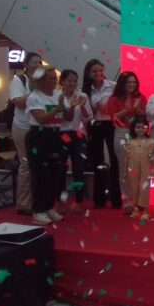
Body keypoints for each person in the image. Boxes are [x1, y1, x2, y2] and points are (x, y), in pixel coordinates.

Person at [25, 65, 70, 225]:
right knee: (40, 174)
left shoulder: (58, 95)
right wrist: (58, 108)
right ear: (41, 80)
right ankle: (38, 210)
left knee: (54, 174)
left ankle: (49, 207)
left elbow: (66, 118)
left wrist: (70, 106)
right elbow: (42, 119)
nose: (54, 81)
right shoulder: (34, 97)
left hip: (55, 134)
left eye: (55, 78)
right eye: (51, 78)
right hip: (39, 135)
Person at [82, 59, 122, 210]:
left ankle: (116, 198)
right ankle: (99, 199)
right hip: (95, 125)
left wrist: (109, 108)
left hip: (111, 124)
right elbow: (86, 114)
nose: (98, 73)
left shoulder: (112, 86)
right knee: (97, 161)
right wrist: (96, 108)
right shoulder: (86, 90)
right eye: (94, 71)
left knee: (114, 159)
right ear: (89, 73)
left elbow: (119, 106)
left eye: (100, 70)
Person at [106, 71, 147, 213]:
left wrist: (137, 109)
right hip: (121, 133)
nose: (131, 85)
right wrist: (127, 110)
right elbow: (113, 117)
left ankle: (139, 200)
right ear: (122, 83)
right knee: (124, 169)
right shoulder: (114, 99)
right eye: (129, 82)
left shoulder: (141, 97)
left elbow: (144, 116)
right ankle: (127, 201)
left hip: (138, 134)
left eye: (134, 82)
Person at [9, 52, 42, 215]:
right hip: (22, 126)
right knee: (26, 164)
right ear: (26, 65)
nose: (37, 65)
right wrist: (35, 91)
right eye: (34, 62)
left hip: (39, 126)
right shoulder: (19, 80)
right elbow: (19, 103)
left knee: (39, 165)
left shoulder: (43, 81)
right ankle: (23, 203)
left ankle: (38, 200)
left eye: (40, 63)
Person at [58, 69, 92, 214]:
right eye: (69, 81)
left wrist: (82, 105)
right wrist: (68, 106)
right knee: (60, 169)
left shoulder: (82, 96)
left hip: (78, 134)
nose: (72, 83)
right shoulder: (57, 96)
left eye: (74, 81)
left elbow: (89, 117)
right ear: (62, 82)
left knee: (79, 168)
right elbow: (61, 117)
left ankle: (78, 201)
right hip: (61, 134)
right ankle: (60, 202)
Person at [124, 115, 154, 221]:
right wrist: (125, 171)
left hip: (146, 168)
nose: (140, 129)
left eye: (143, 127)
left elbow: (153, 157)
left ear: (147, 128)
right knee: (134, 188)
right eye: (137, 127)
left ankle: (146, 211)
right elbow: (127, 157)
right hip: (133, 168)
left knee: (144, 188)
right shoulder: (130, 142)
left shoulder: (151, 142)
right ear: (134, 128)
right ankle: (135, 210)